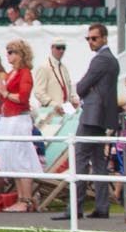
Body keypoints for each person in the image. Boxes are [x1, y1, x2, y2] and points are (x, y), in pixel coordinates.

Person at [51, 22, 120, 221]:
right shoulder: (109, 60)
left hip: (92, 116)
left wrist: (85, 90)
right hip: (98, 115)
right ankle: (101, 206)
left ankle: (75, 208)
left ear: (104, 38)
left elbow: (81, 86)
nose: (91, 42)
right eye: (88, 39)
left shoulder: (102, 60)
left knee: (80, 159)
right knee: (98, 162)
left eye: (94, 38)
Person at [0, 39, 41, 211]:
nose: (8, 55)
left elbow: (23, 97)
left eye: (12, 51)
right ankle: (21, 197)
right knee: (12, 157)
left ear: (21, 54)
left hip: (19, 119)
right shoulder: (11, 73)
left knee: (22, 157)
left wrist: (4, 91)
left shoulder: (25, 73)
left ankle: (26, 200)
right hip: (8, 117)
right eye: (7, 51)